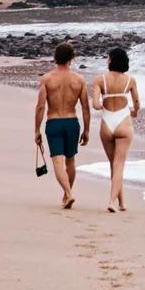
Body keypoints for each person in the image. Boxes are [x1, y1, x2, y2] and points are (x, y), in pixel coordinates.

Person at [33, 41, 90, 209]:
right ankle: (67, 195)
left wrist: (37, 130)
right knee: (70, 160)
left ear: (55, 58)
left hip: (54, 122)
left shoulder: (47, 79)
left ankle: (69, 194)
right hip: (72, 122)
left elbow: (41, 106)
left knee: (57, 161)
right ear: (71, 59)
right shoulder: (79, 79)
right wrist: (86, 130)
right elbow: (85, 106)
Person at [90, 46, 140, 213]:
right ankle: (114, 201)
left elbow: (96, 104)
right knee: (118, 165)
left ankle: (120, 202)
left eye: (108, 57)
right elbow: (137, 103)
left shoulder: (100, 79)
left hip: (107, 123)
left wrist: (101, 105)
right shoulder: (130, 80)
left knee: (114, 164)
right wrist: (134, 112)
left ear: (111, 60)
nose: (106, 59)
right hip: (124, 122)